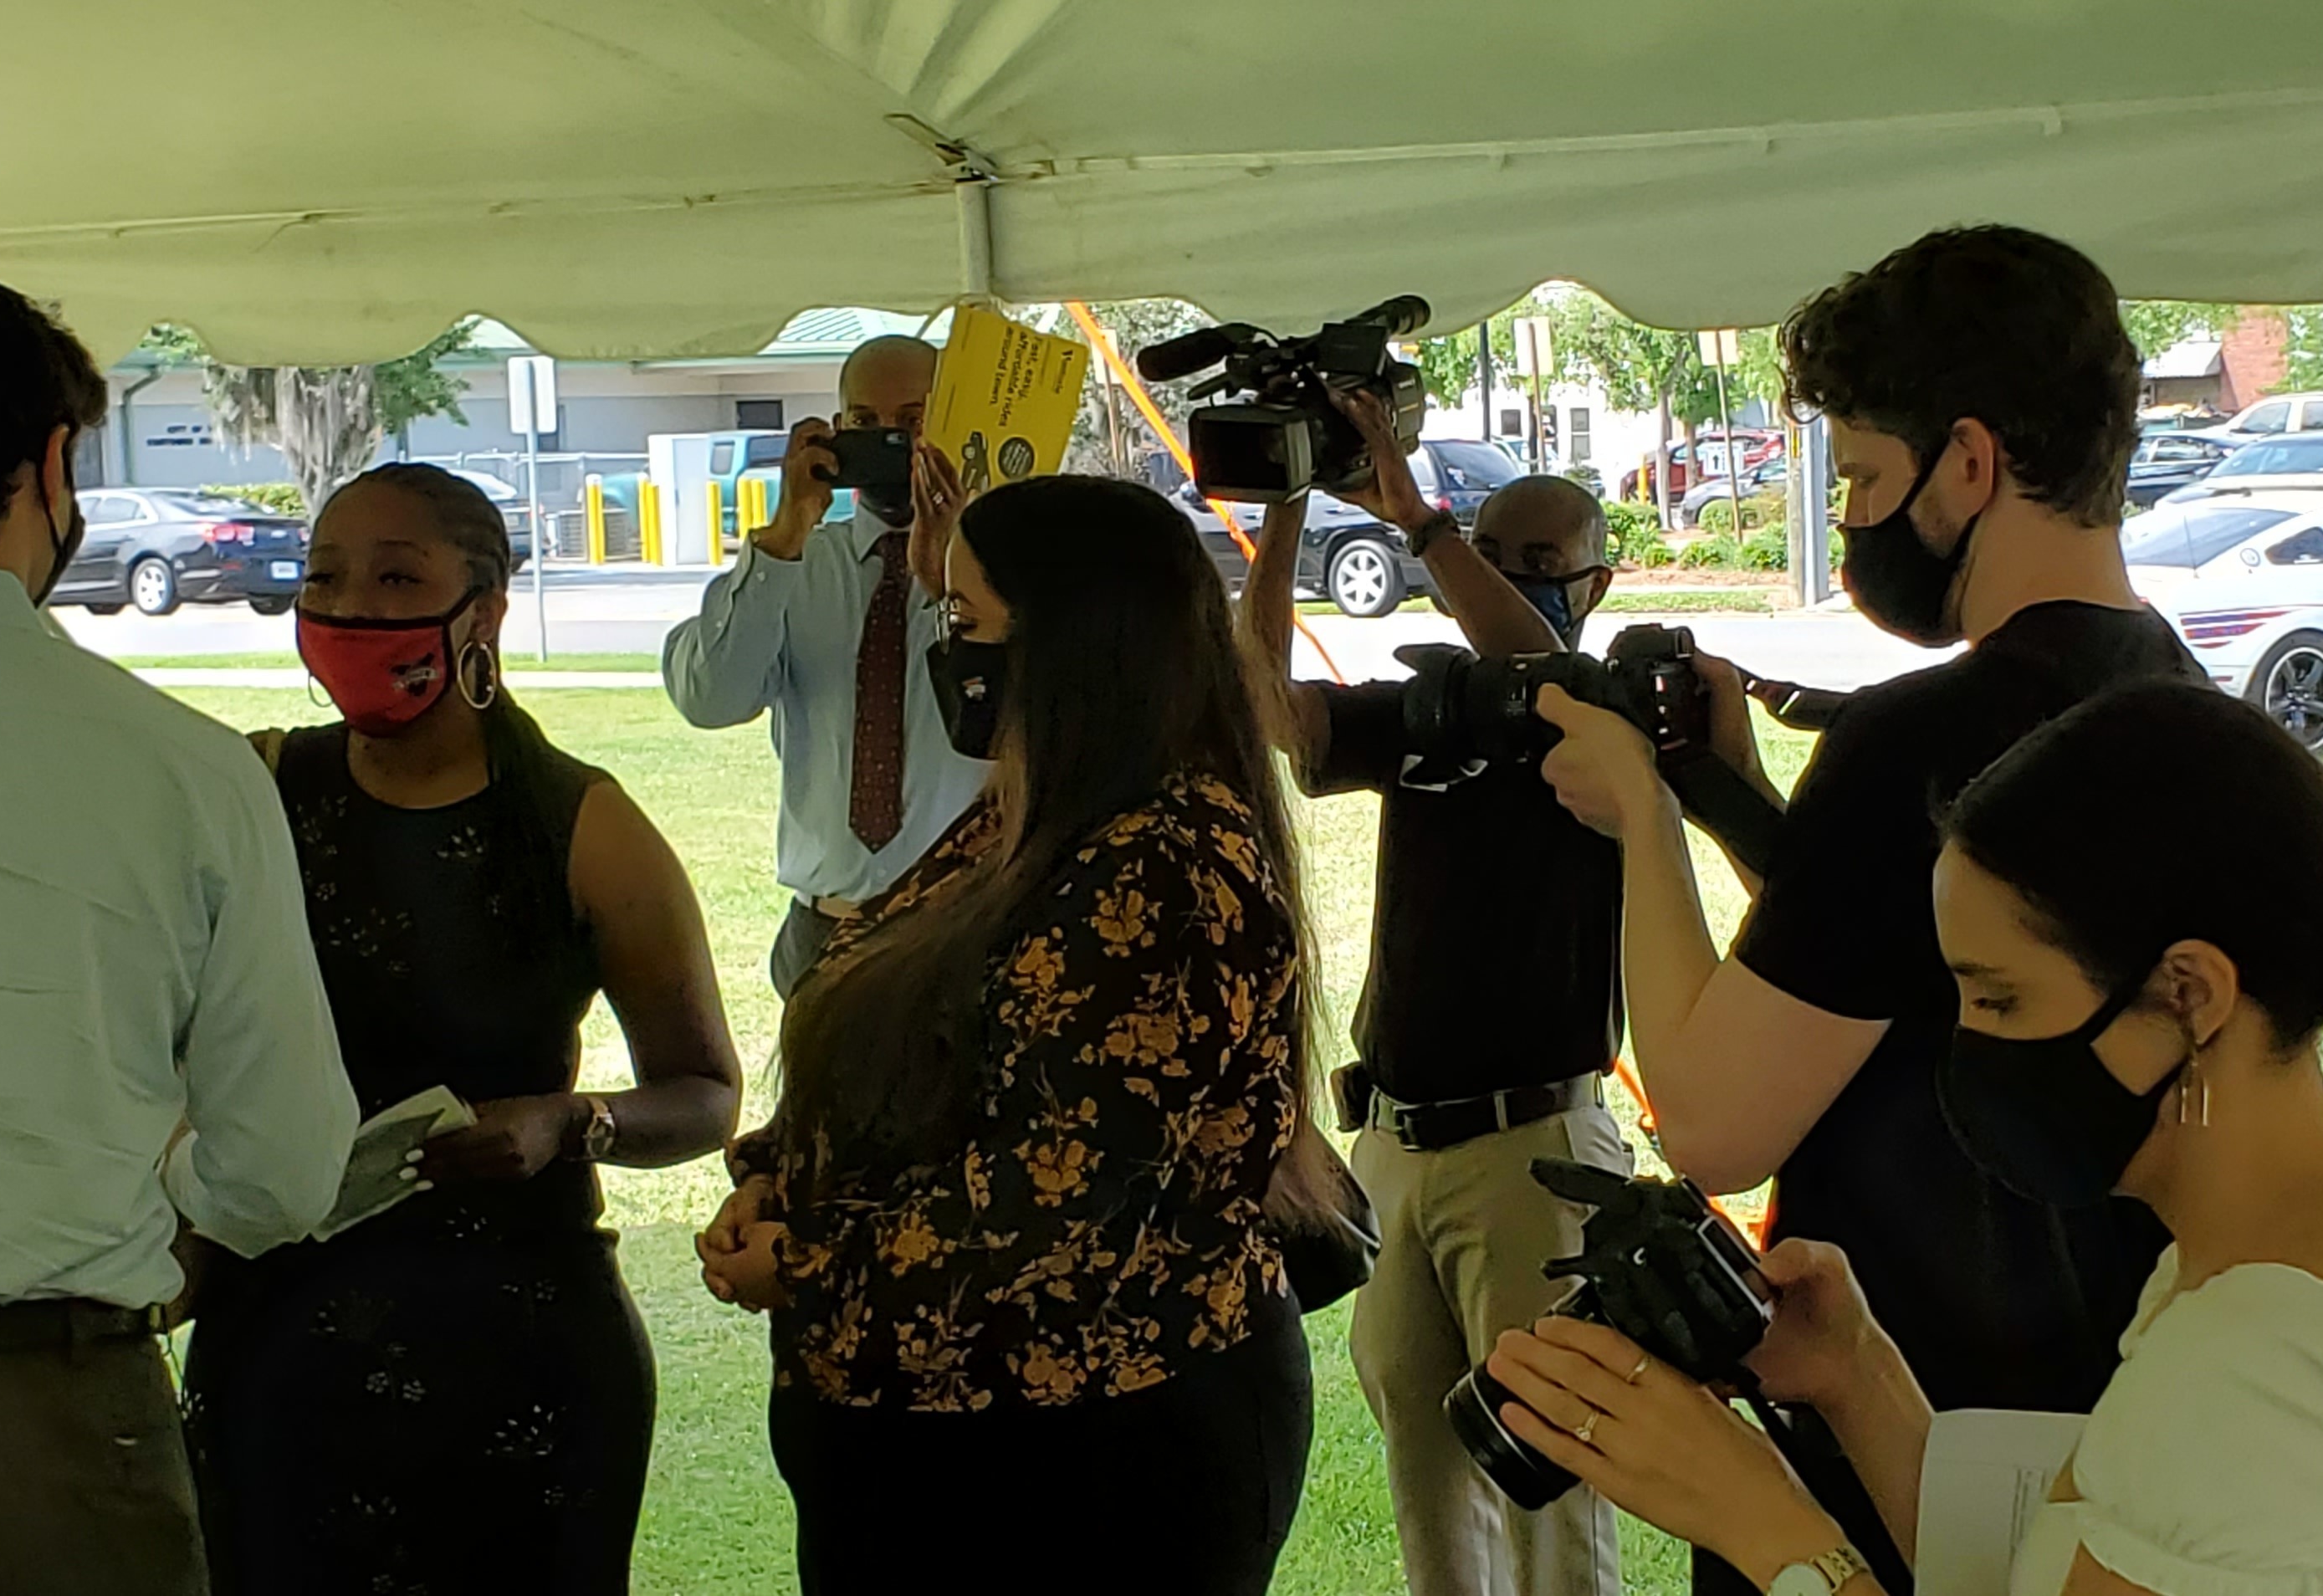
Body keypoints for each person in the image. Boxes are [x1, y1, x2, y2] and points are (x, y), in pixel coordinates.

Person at [1484, 682, 2323, 1595]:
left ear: (2189, 993)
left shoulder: (2276, 1345)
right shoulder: (2306, 1251)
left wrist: (1762, 1520)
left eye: (2001, 1001)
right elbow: (2050, 1576)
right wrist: (1855, 1375)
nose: (1969, 1052)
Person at [1533, 224, 2204, 1592]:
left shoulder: (1920, 736)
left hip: (1896, 1411)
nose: (1850, 515)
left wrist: (1642, 821)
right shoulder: (2189, 708)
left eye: (1862, 475)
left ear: (1968, 463)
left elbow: (1717, 1121)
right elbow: (1923, 972)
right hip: (2129, 1399)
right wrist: (1739, 804)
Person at [0, 279, 357, 1594]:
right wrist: (167, 1199)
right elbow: (284, 1168)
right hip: (50, 1416)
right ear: (54, 464)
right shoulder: (187, 771)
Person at [696, 472, 1318, 1595]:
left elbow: (1063, 1196)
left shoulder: (1164, 865)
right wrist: (777, 1177)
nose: (951, 652)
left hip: (1085, 1458)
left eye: (967, 622)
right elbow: (886, 1039)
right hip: (945, 1438)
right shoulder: (1027, 815)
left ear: (1070, 648)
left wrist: (809, 1263)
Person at [180, 463, 745, 1593]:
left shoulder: (583, 826)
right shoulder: (253, 788)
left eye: (398, 578)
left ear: (483, 608)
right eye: (325, 576)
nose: (351, 610)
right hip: (275, 1339)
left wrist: (564, 1123)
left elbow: (704, 1094)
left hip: (519, 1347)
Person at [1241, 390, 1633, 1596]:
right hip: (1396, 1145)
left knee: (1551, 1489)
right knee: (1427, 1476)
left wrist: (1424, 523)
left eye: (1541, 560)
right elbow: (1271, 713)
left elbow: (1542, 662)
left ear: (1596, 583)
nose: (1509, 575)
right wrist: (1284, 511)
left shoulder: (1604, 714)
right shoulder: (1427, 711)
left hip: (1534, 1148)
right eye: (1496, 551)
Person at [660, 334, 990, 995]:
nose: (889, 442)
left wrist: (950, 569)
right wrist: (785, 531)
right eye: (865, 424)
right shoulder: (794, 566)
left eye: (912, 422)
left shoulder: (999, 575)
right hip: (824, 934)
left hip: (967, 928)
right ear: (835, 434)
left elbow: (1024, 713)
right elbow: (711, 699)